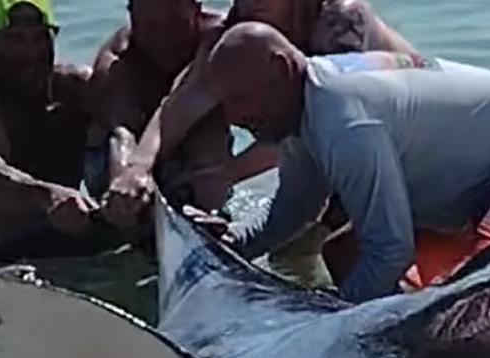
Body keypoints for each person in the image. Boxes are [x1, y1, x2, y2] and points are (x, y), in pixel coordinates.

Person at [201, 23, 490, 302]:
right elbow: (294, 210)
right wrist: (229, 245)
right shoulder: (305, 110)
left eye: (239, 99)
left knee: (483, 286)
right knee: (343, 254)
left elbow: (389, 252)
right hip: (466, 187)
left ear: (282, 70)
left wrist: (329, 320)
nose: (233, 118)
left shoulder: (346, 124)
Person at [103, 0, 417, 285]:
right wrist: (139, 167)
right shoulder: (238, 27)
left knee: (344, 251)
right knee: (288, 256)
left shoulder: (340, 19)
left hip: (402, 144)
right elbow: (182, 102)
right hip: (341, 150)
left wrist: (232, 171)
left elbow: (328, 122)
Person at [0, 0, 121, 265]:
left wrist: (126, 181)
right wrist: (49, 196)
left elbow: (124, 126)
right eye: (15, 39)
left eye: (39, 37)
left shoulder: (74, 87)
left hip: (70, 244)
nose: (31, 51)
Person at [89, 0, 235, 232]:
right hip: (131, 152)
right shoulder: (119, 58)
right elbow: (123, 132)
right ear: (132, 18)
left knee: (208, 121)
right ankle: (122, 212)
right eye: (150, 27)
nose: (164, 40)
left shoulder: (219, 38)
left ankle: (210, 215)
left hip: (195, 153)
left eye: (176, 24)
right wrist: (124, 181)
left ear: (197, 11)